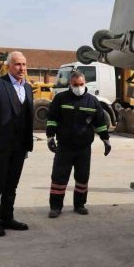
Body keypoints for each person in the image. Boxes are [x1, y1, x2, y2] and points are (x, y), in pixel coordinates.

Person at [0, 51, 34, 237]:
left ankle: (6, 217)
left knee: (12, 184)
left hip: (19, 146)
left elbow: (27, 118)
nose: (22, 68)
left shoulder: (27, 88)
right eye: (18, 64)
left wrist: (28, 143)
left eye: (24, 65)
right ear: (9, 66)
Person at [45, 70, 111, 218]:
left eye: (81, 84)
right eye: (76, 85)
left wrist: (106, 140)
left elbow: (100, 123)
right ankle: (55, 207)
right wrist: (50, 137)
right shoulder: (60, 99)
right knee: (59, 178)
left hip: (83, 148)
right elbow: (52, 119)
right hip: (64, 147)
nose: (79, 87)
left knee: (82, 177)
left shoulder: (93, 101)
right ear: (70, 84)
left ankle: (79, 205)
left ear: (85, 83)